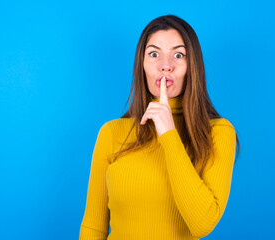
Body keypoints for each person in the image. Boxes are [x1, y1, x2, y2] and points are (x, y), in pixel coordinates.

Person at [79, 14, 240, 240]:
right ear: (142, 64)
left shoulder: (218, 132)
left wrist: (168, 134)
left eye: (178, 55)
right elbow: (93, 227)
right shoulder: (112, 132)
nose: (166, 66)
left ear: (191, 66)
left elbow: (202, 224)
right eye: (154, 54)